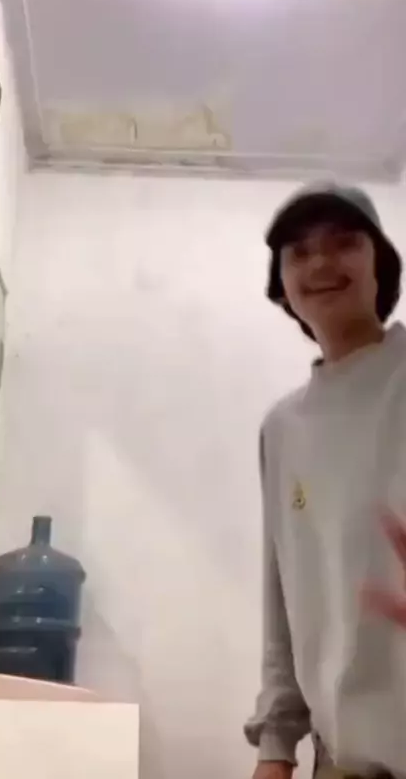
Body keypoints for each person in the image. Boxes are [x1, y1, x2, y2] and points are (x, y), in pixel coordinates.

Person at [244, 182, 406, 779]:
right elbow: (282, 598)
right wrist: (275, 745)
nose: (320, 263)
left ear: (380, 266)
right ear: (281, 285)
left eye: (343, 243)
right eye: (299, 252)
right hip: (338, 762)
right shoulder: (283, 428)